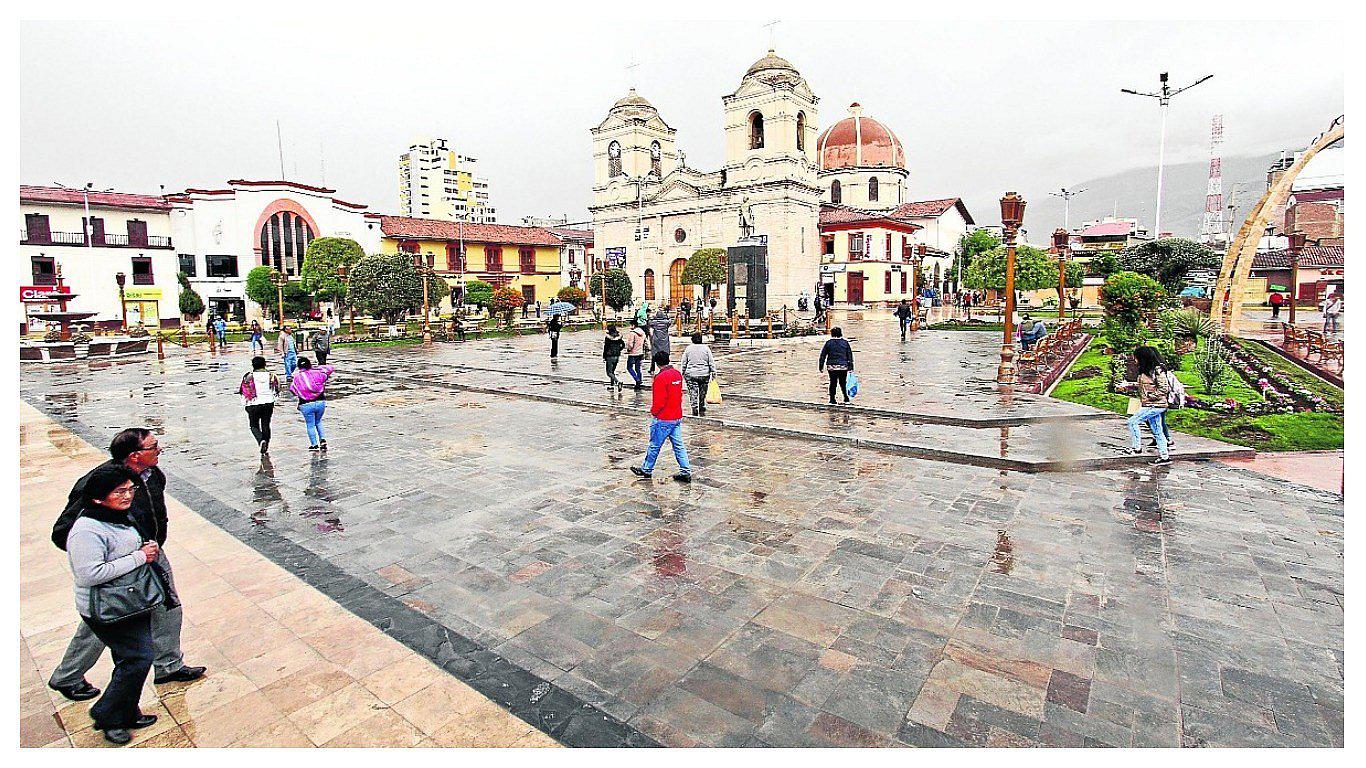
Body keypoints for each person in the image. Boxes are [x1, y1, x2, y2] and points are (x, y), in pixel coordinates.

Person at [48, 429, 206, 706]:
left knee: (167, 606)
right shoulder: (99, 483)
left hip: (150, 552)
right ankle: (69, 676)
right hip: (121, 563)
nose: (159, 450)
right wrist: (113, 555)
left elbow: (155, 514)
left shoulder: (153, 475)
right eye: (154, 447)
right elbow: (64, 532)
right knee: (107, 620)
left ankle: (169, 665)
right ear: (135, 455)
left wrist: (151, 546)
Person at [64, 465, 166, 744]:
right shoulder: (86, 530)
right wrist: (139, 557)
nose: (127, 496)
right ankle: (107, 713)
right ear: (98, 497)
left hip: (130, 599)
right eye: (119, 492)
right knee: (138, 658)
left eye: (130, 490)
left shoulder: (118, 517)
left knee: (130, 659)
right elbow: (89, 573)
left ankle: (128, 710)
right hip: (106, 608)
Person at [630, 350, 692, 482]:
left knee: (654, 445)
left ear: (657, 363)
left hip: (664, 417)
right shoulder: (676, 374)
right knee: (679, 445)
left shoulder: (660, 378)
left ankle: (646, 469)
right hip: (676, 416)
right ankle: (685, 471)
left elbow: (659, 401)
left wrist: (654, 412)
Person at [1124, 345, 1172, 466]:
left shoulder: (1157, 371)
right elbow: (1146, 386)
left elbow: (1164, 388)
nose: (1134, 360)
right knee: (1157, 431)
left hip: (1155, 405)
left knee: (1132, 422)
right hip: (1151, 404)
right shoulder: (1146, 370)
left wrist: (1151, 396)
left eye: (1136, 357)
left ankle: (1136, 448)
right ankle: (1164, 456)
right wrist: (1130, 386)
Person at [290, 358, 334, 451]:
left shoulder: (297, 377)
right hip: (320, 402)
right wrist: (317, 368)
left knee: (310, 424)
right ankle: (323, 439)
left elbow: (293, 389)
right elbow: (329, 369)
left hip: (305, 404)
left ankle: (314, 444)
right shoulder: (318, 373)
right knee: (318, 421)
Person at [241, 356, 280, 454]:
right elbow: (277, 389)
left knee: (254, 425)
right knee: (266, 424)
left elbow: (242, 390)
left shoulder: (248, 376)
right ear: (264, 364)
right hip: (268, 403)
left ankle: (260, 440)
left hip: (253, 403)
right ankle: (266, 443)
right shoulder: (272, 375)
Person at [679, 332, 717, 417]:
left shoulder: (688, 349)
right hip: (704, 374)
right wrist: (713, 373)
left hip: (691, 374)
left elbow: (684, 362)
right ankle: (702, 404)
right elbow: (711, 362)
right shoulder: (706, 348)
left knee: (693, 392)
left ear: (692, 339)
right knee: (703, 391)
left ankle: (694, 407)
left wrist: (682, 372)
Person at [819, 327, 855, 404]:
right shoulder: (845, 343)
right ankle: (846, 398)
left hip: (831, 366)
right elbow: (849, 355)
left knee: (833, 382)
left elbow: (823, 355)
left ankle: (832, 399)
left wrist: (821, 366)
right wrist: (851, 366)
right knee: (843, 383)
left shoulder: (828, 343)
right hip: (843, 366)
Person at [624, 322, 649, 390]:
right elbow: (646, 342)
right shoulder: (643, 333)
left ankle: (637, 379)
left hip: (633, 353)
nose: (630, 327)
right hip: (640, 353)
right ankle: (639, 381)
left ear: (633, 325)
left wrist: (628, 349)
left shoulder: (632, 333)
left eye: (630, 325)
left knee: (629, 367)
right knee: (638, 368)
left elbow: (630, 344)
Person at [648, 308, 672, 374]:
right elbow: (670, 321)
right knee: (666, 353)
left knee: (654, 354)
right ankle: (666, 367)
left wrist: (653, 317)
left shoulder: (654, 323)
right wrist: (667, 317)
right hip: (664, 340)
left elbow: (649, 323)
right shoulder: (666, 323)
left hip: (656, 339)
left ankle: (652, 369)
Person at [603, 324, 625, 390]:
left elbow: (606, 347)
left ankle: (618, 382)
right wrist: (619, 350)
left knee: (609, 373)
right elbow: (623, 345)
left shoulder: (608, 338)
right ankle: (612, 386)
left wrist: (604, 356)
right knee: (612, 372)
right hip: (617, 356)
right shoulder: (619, 337)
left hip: (610, 356)